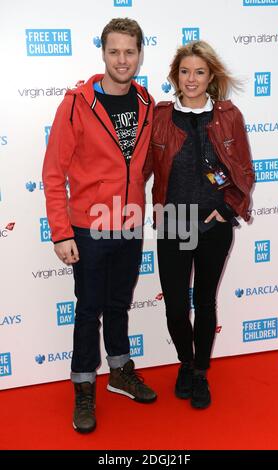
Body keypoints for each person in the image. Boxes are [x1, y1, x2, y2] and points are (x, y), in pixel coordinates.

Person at [42, 17, 157, 434]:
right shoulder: (75, 103)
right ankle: (84, 384)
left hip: (127, 221)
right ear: (103, 53)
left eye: (130, 51)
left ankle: (121, 371)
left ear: (140, 54)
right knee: (89, 308)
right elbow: (54, 173)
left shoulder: (146, 103)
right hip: (88, 226)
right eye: (114, 51)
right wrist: (61, 232)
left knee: (119, 303)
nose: (122, 60)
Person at [144, 40, 254, 409]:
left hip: (213, 227)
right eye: (185, 71)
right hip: (174, 224)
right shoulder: (159, 117)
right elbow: (138, 170)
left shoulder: (229, 116)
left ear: (211, 77)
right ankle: (185, 363)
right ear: (175, 75)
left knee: (205, 302)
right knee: (176, 306)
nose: (191, 79)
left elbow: (244, 169)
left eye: (199, 72)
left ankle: (200, 372)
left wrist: (228, 208)